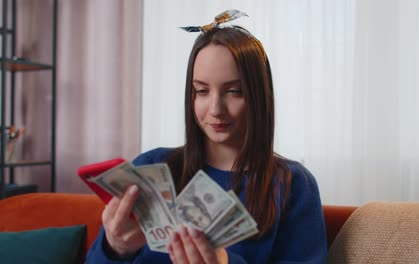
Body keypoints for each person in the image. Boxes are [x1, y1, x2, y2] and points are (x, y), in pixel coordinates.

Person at [86, 9, 327, 264]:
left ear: (259, 96)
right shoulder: (151, 166)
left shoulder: (293, 184)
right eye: (201, 91)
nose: (215, 109)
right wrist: (114, 248)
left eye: (234, 91)